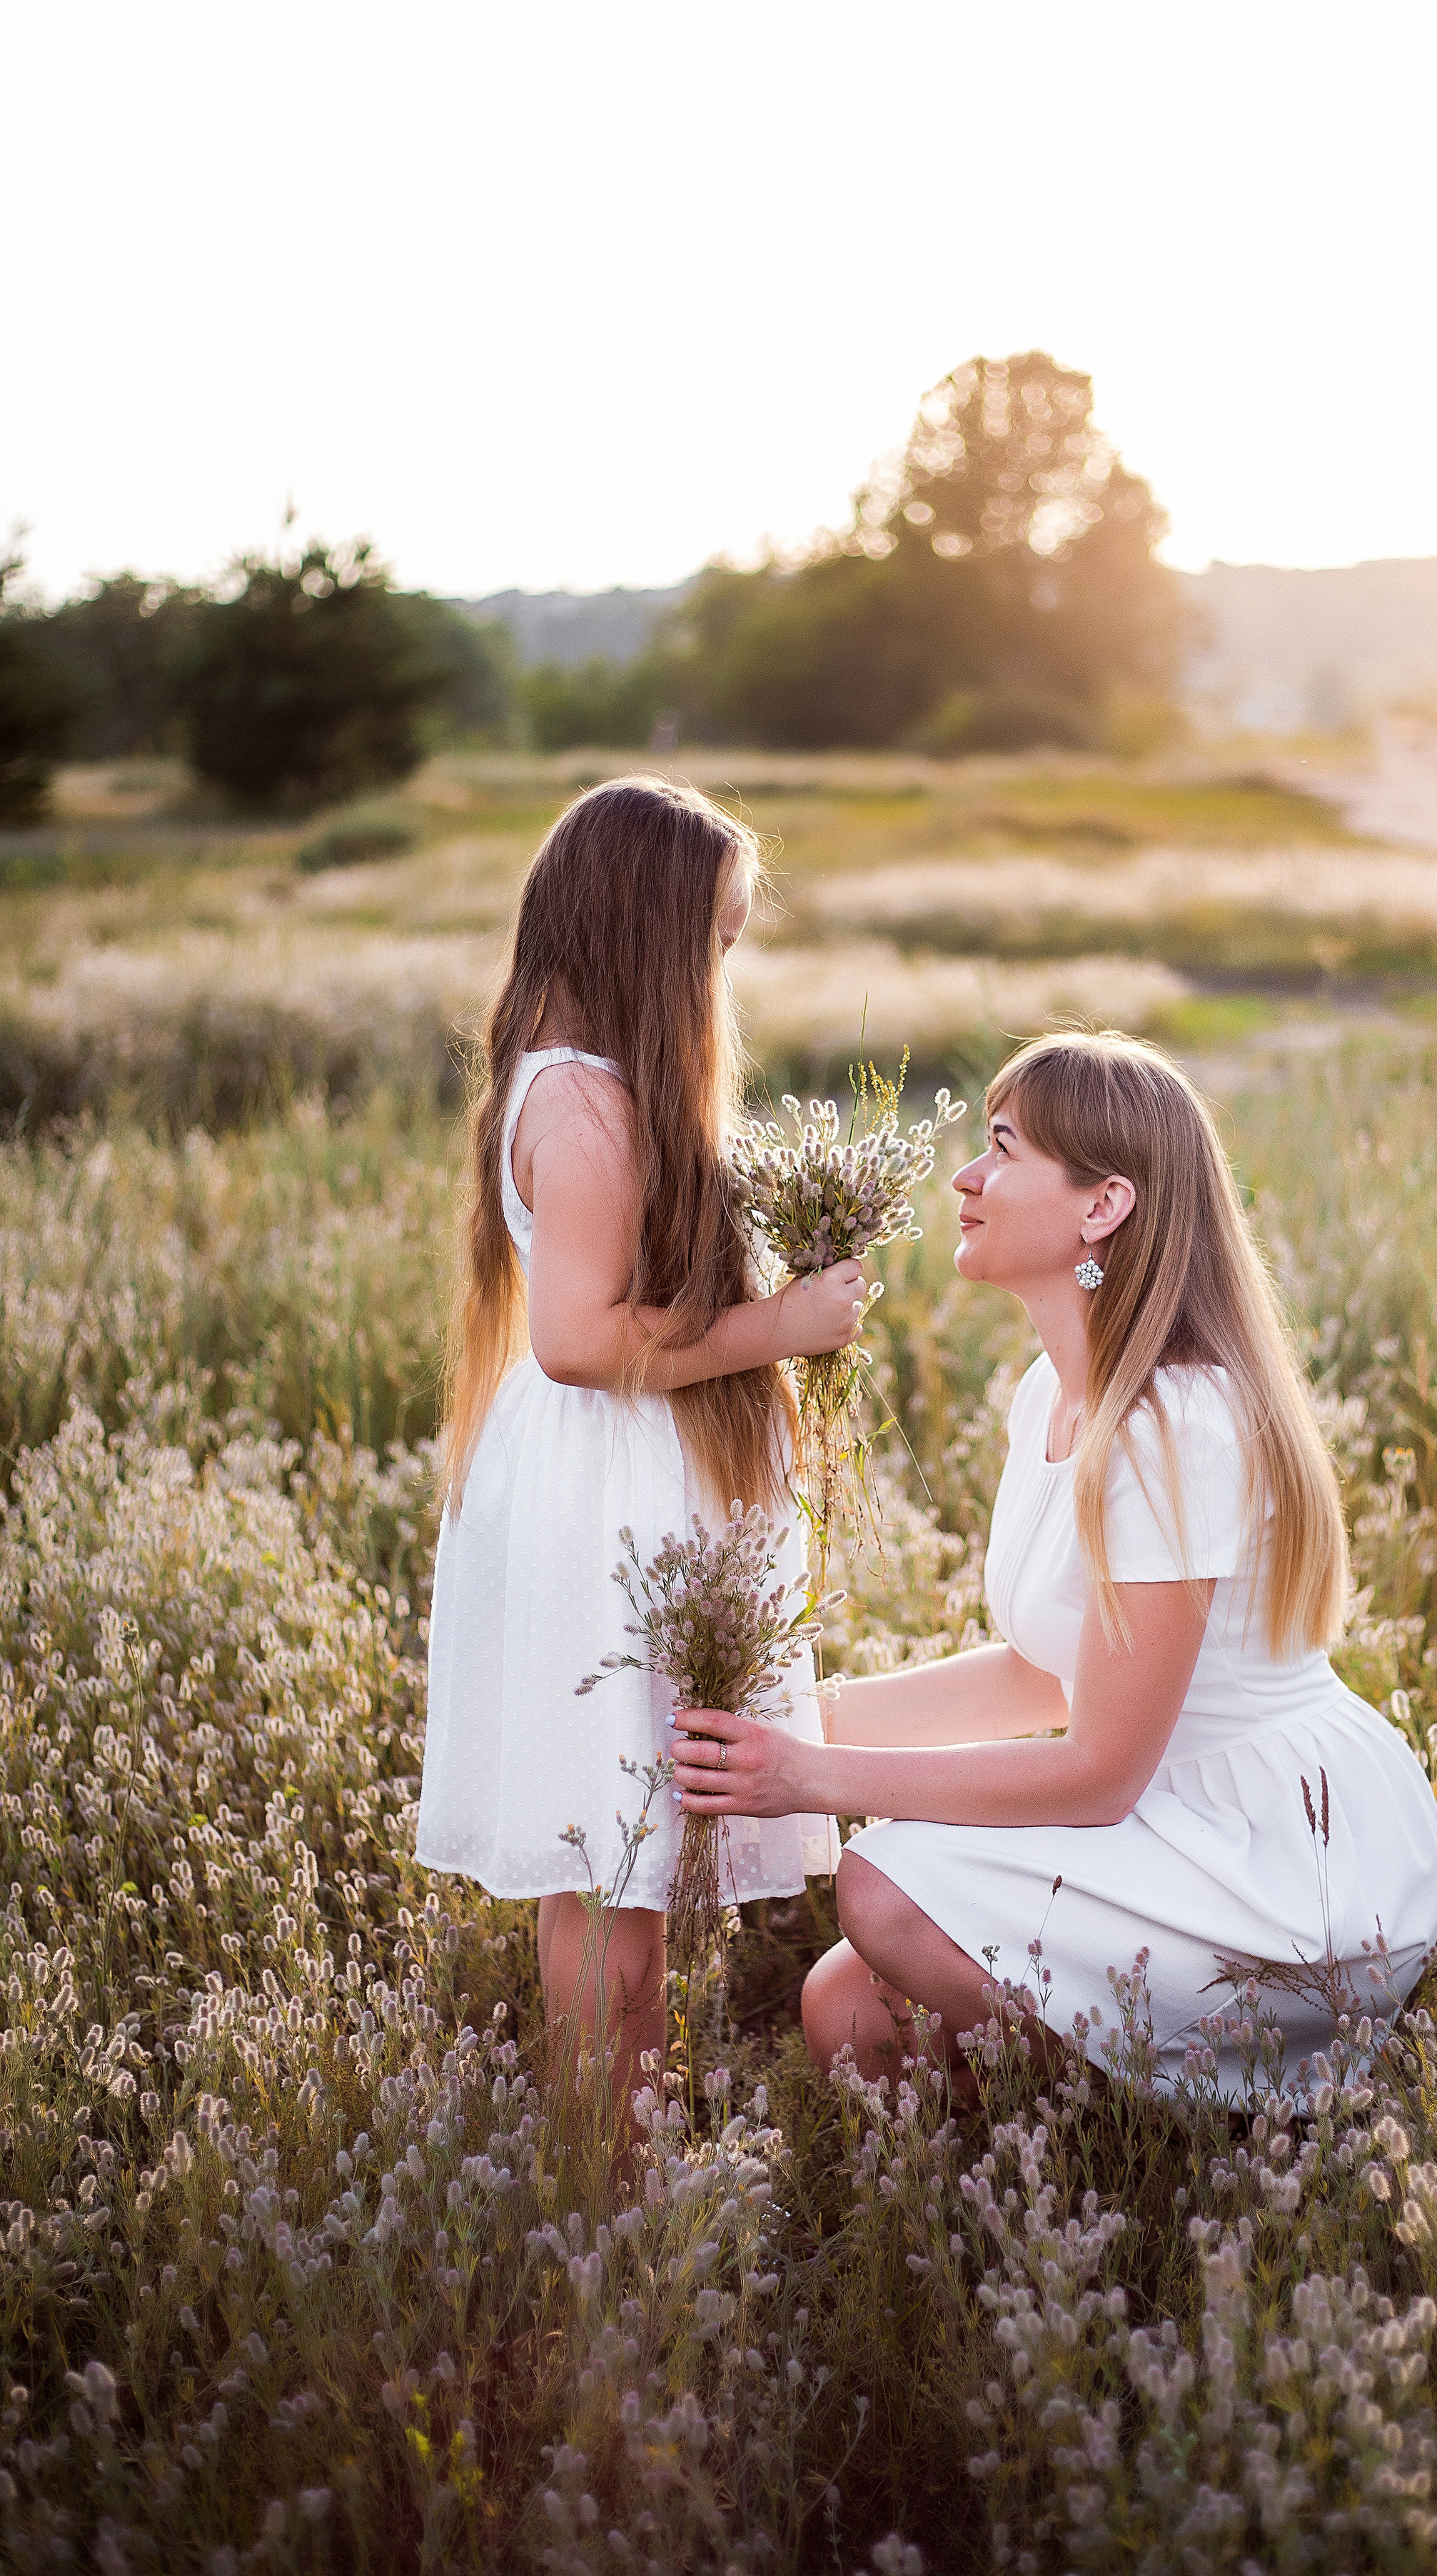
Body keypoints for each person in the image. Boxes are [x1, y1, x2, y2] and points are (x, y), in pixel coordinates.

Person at [668, 1031, 1437, 2098]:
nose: (967, 1176)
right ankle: (1040, 2178)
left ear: (1102, 1207)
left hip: (1275, 1853)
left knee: (885, 1890)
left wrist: (815, 1779)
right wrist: (808, 1717)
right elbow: (1045, 1671)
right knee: (841, 2008)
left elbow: (1097, 1771)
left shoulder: (1179, 1425)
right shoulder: (1052, 1393)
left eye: (1003, 1147)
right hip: (1163, 1815)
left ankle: (1153, 2137)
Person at [417, 775, 866, 2113]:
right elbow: (577, 1341)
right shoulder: (588, 1108)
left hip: (612, 1485)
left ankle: (610, 2170)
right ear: (654, 938)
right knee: (611, 1868)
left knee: (622, 1872)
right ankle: (606, 2192)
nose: (724, 970)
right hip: (598, 1501)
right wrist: (776, 1325)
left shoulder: (583, 1088)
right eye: (716, 940)